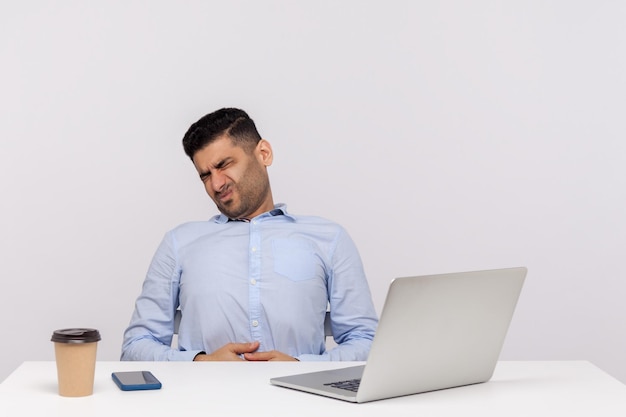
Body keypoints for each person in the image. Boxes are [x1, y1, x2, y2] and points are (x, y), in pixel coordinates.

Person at [121, 107, 378, 362]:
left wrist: (302, 368)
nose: (217, 184)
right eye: (205, 175)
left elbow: (367, 342)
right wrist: (201, 363)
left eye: (224, 165)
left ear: (263, 154)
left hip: (301, 401)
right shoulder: (179, 243)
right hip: (203, 399)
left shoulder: (329, 239)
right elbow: (135, 347)